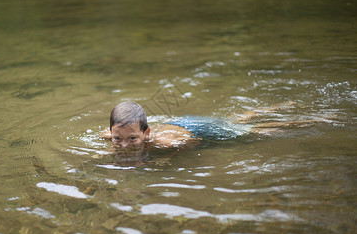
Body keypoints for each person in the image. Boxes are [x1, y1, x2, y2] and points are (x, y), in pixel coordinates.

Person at [100, 101, 326, 153]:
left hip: (198, 130)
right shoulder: (117, 133)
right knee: (235, 118)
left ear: (146, 133)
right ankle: (277, 105)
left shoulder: (163, 141)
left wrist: (172, 155)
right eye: (117, 139)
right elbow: (110, 136)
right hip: (181, 121)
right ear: (111, 132)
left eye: (132, 139)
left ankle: (314, 119)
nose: (123, 145)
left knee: (257, 131)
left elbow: (193, 141)